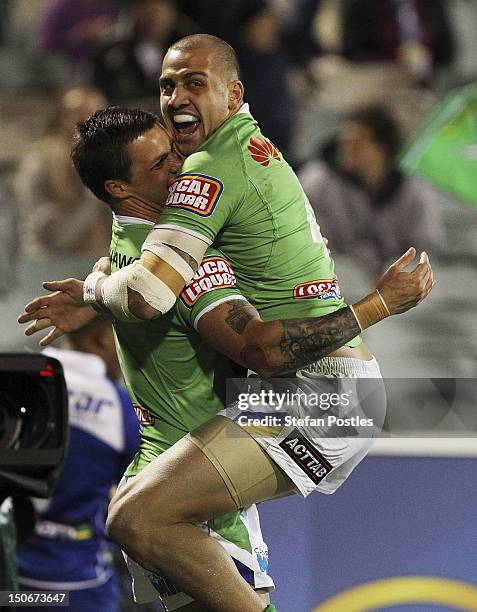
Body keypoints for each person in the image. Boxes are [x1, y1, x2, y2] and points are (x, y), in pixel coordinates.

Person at [21, 33, 434, 612]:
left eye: (195, 82)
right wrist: (95, 293)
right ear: (119, 191)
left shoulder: (203, 183)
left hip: (322, 396)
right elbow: (136, 267)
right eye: (167, 84)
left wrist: (379, 305)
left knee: (138, 517)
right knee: (143, 527)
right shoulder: (223, 158)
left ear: (234, 92)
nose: (176, 98)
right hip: (273, 403)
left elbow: (149, 296)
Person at [16, 315, 139, 612]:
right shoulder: (114, 403)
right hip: (76, 586)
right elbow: (138, 489)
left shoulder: (18, 380)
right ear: (103, 338)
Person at [298, 104, 445, 278]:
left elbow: (425, 248)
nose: (347, 148)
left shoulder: (414, 189)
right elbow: (311, 247)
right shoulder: (317, 182)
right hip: (336, 280)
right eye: (344, 141)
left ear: (382, 148)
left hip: (396, 282)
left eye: (358, 142)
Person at [13, 86, 111, 259]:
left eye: (94, 113)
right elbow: (56, 237)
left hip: (95, 260)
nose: (86, 120)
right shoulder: (41, 161)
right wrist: (94, 193)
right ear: (60, 117)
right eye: (76, 113)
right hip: (47, 262)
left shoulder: (106, 158)